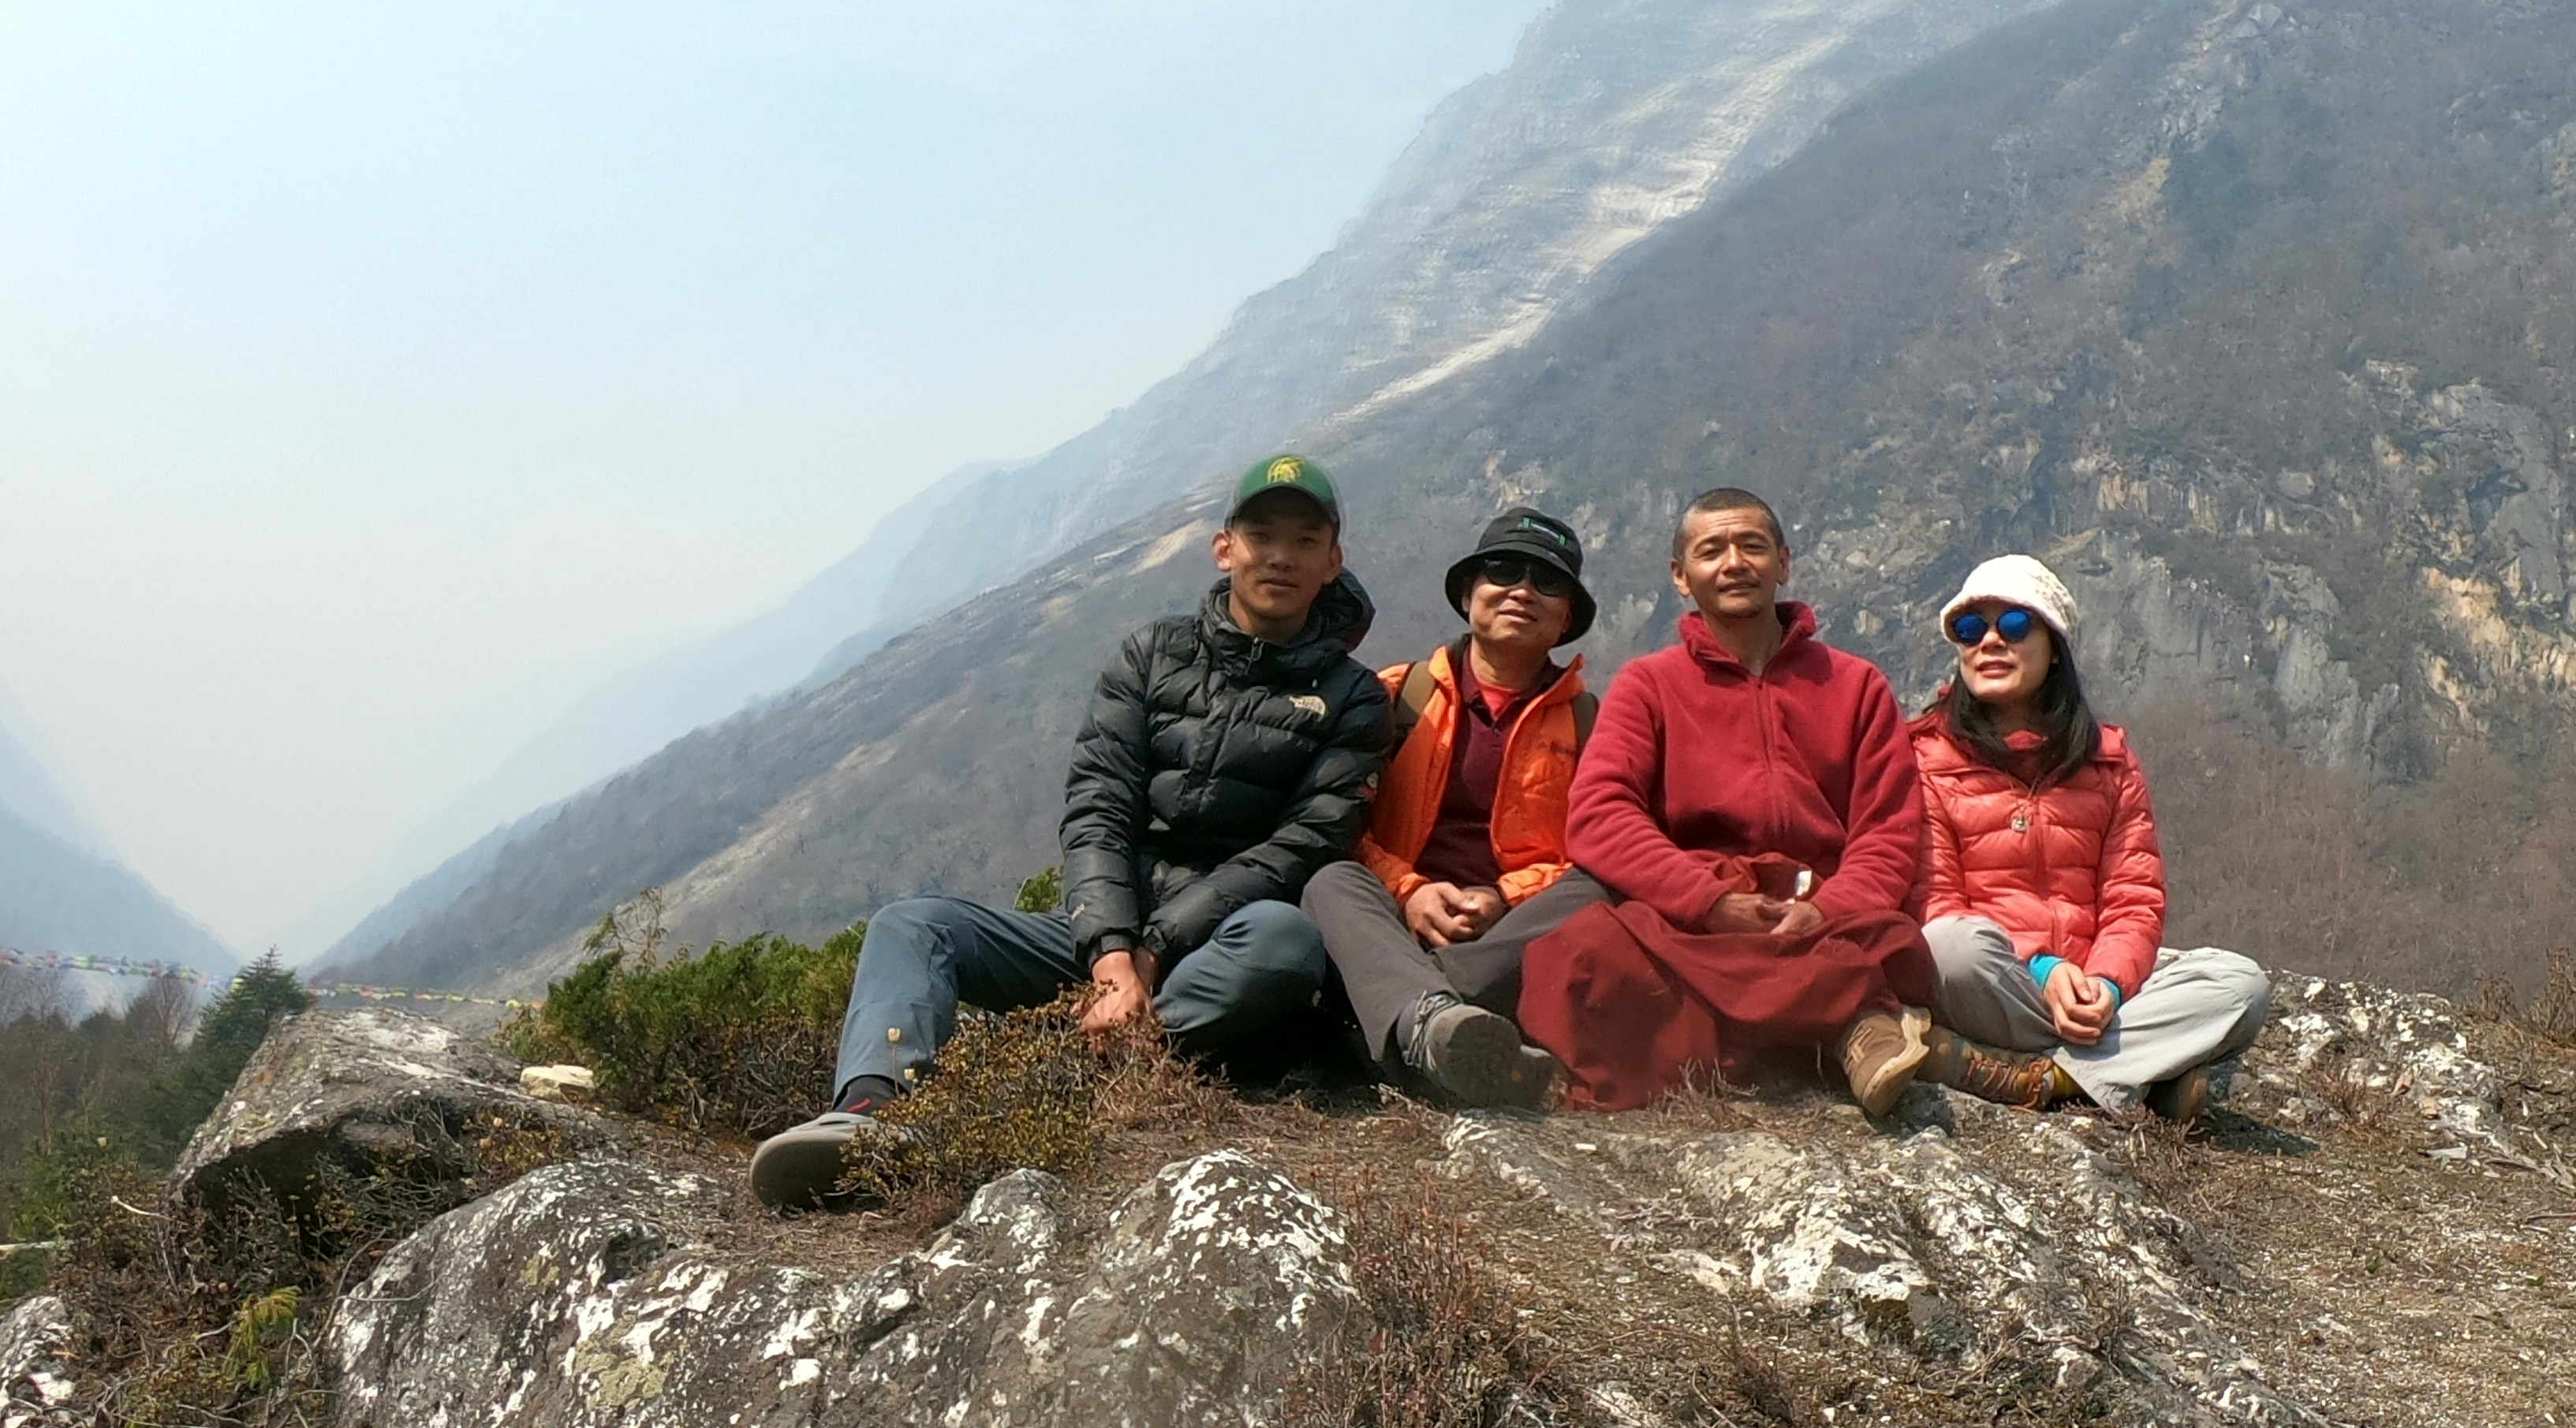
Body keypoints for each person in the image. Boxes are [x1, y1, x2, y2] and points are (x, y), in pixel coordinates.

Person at [749, 453, 1389, 1208]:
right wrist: (1113, 950)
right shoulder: (1153, 655)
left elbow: (1305, 844)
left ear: (1332, 560)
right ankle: (870, 1114)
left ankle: (1059, 1072)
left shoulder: (1353, 698)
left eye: (1305, 540)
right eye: (1261, 535)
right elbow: (1098, 806)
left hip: (1222, 944)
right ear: (1225, 548)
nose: (1280, 556)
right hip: (1105, 928)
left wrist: (1156, 950)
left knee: (1287, 943)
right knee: (914, 926)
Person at [1516, 488, 1947, 1117]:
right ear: (1681, 577)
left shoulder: (1855, 686)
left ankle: (1786, 1027)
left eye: (1752, 545)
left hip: (1816, 912)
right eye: (1710, 550)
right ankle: (1845, 1027)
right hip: (1693, 914)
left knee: (1883, 939)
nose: (1734, 563)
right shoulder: (1649, 685)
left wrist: (1827, 909)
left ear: (1783, 563)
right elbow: (1600, 813)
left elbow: (1887, 832)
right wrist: (1708, 900)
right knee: (1584, 955)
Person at [1911, 554, 2272, 1120]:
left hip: (2096, 991)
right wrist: (2043, 971)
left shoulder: (2107, 762)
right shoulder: (1925, 759)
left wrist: (2105, 983)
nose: (1989, 642)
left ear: (2054, 645)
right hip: (2003, 983)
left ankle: (2047, 1078)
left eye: (2012, 626)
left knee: (2240, 984)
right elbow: (1935, 901)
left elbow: (2134, 898)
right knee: (1947, 948)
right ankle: (2144, 1073)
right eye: (1969, 628)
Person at [1300, 512, 1610, 1107]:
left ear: (1566, 617)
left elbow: (1595, 849)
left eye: (1548, 581)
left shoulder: (1590, 724)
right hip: (1395, 925)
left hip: (1509, 944)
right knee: (1328, 876)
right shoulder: (1393, 696)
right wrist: (1410, 890)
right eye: (1501, 570)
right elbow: (1339, 821)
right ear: (1468, 594)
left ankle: (1421, 1010)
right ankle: (1439, 1023)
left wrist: (1505, 898)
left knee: (1602, 887)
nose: (1522, 589)